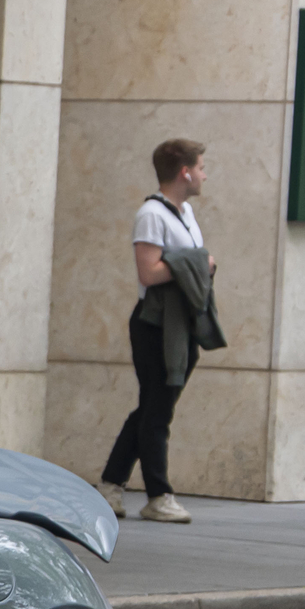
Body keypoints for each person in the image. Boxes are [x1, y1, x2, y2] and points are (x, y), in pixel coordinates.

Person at [99, 139, 218, 525]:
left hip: (181, 322)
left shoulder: (186, 212)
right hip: (155, 325)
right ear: (184, 171)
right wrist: (199, 262)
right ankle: (158, 493)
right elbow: (148, 272)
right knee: (157, 409)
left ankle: (111, 485)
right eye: (200, 167)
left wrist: (195, 264)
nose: (204, 174)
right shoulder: (152, 214)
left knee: (152, 408)